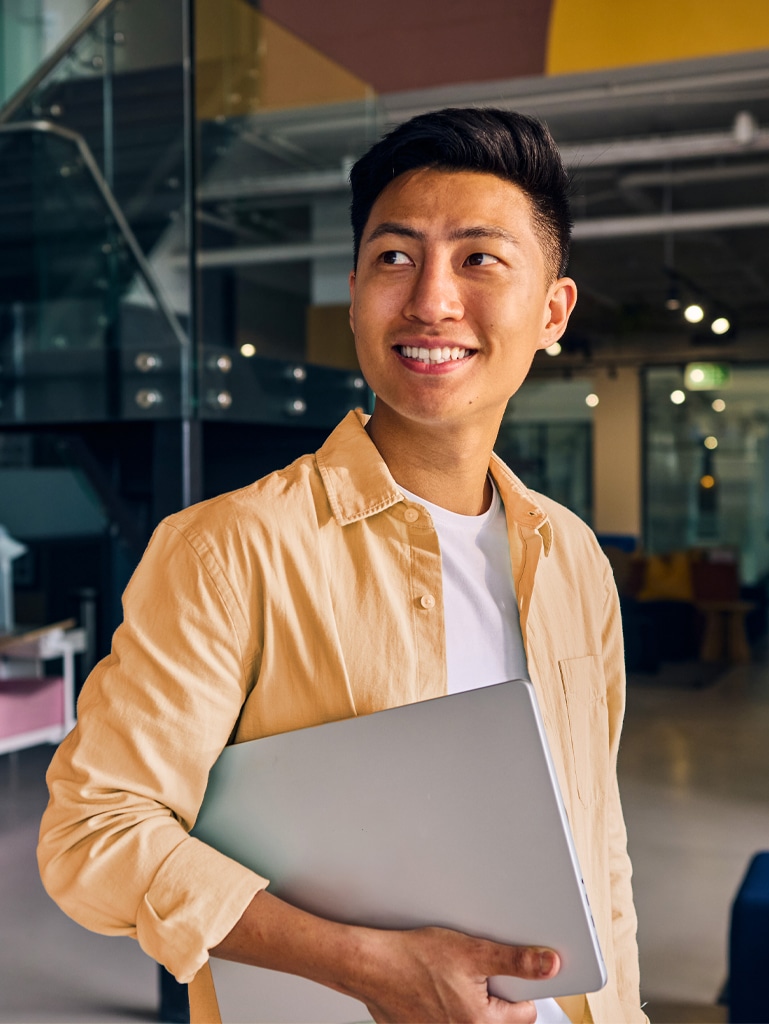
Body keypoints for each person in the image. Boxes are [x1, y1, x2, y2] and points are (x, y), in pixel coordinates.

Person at [39, 108, 646, 1024]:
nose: (431, 300)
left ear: (553, 310)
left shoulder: (572, 559)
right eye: (394, 257)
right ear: (356, 289)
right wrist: (363, 965)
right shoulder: (227, 551)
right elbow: (95, 834)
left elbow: (597, 841)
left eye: (479, 258)